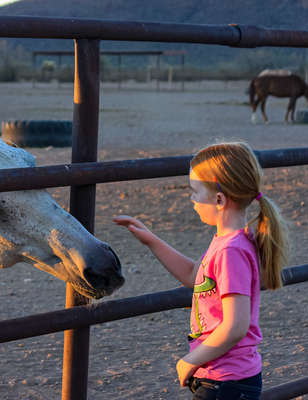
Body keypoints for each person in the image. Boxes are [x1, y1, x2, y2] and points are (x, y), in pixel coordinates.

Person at [113, 142, 289, 400]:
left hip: (226, 382)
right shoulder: (228, 241)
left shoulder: (231, 251)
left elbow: (236, 325)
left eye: (195, 192)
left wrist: (190, 360)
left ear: (219, 200)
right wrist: (151, 240)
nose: (192, 199)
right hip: (225, 379)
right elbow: (194, 275)